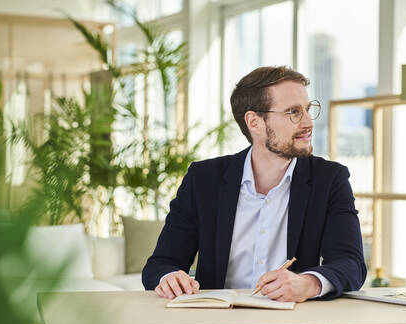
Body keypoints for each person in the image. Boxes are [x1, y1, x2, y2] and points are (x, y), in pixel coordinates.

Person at [142, 66, 366, 302]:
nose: (309, 122)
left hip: (291, 320)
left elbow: (351, 264)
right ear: (254, 122)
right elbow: (160, 264)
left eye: (308, 110)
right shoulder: (203, 179)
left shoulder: (330, 179)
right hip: (215, 319)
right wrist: (169, 278)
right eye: (293, 112)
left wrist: (309, 283)